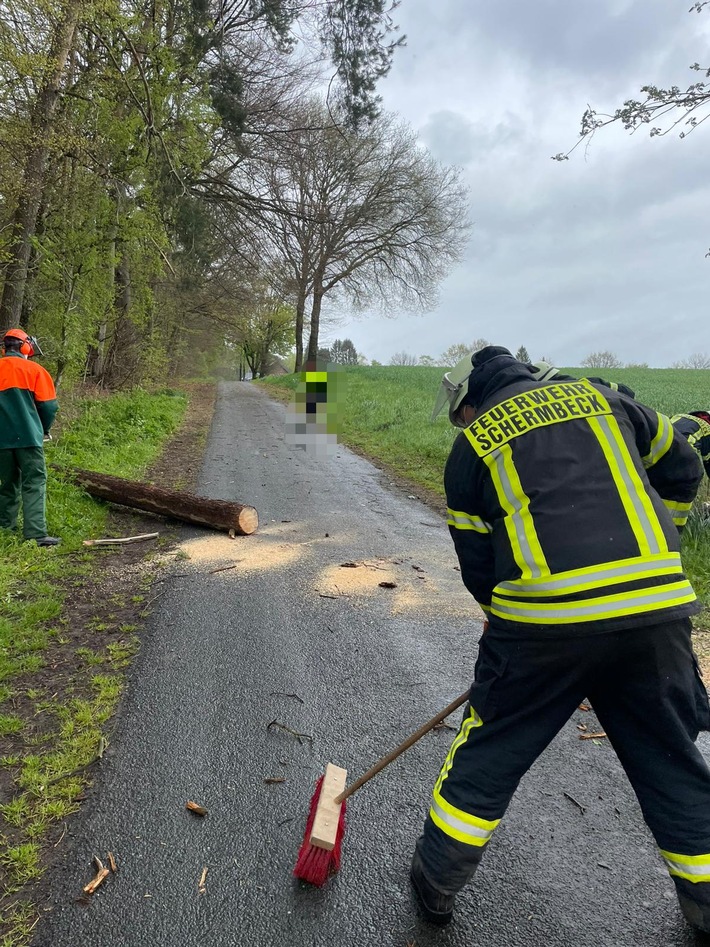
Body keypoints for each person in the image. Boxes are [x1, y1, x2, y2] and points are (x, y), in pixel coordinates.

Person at [412, 345, 710, 933]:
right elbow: (684, 468)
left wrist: (501, 619)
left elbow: (478, 565)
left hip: (543, 626)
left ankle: (437, 880)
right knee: (671, 756)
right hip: (655, 612)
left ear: (470, 400)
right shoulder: (608, 400)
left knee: (493, 747)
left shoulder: (471, 446)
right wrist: (661, 541)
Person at [0, 328, 60, 546]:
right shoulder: (35, 370)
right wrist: (42, 429)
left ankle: (5, 528)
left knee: (7, 484)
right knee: (33, 482)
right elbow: (49, 406)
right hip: (29, 438)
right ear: (26, 346)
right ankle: (35, 533)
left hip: (1, 442)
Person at [672, 411, 710, 480]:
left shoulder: (679, 416)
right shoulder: (707, 430)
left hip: (656, 448)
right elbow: (708, 462)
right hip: (682, 455)